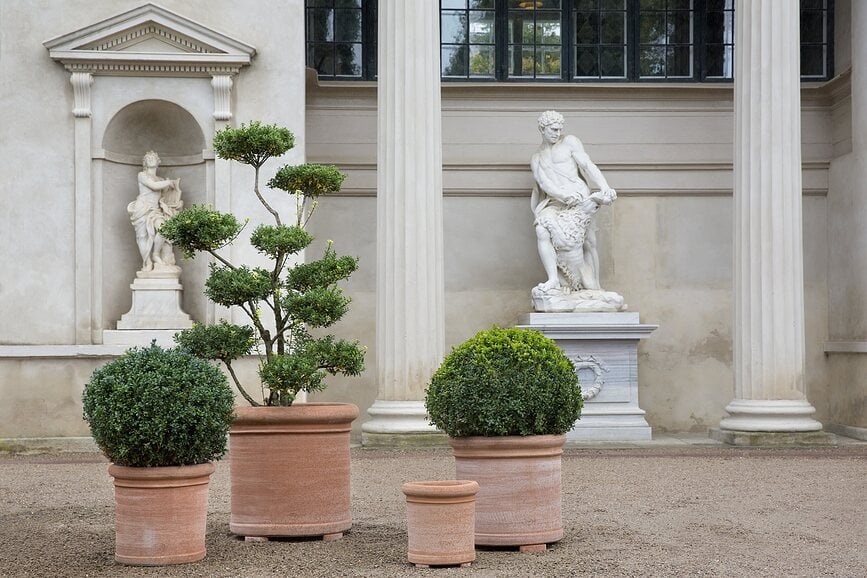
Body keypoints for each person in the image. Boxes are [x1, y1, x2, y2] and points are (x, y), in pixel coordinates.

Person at [530, 110, 617, 295]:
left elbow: (587, 164)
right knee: (541, 229)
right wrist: (562, 195)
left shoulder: (569, 142)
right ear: (542, 129)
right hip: (556, 202)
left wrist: (604, 187)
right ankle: (553, 279)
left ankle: (595, 286)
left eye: (559, 129)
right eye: (553, 129)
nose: (557, 133)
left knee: (590, 242)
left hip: (579, 197)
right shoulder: (537, 158)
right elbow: (544, 183)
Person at [128, 150, 183, 272]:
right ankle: (147, 262)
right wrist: (169, 182)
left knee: (165, 230)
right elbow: (153, 186)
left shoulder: (160, 179)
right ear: (145, 162)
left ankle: (155, 254)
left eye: (154, 157)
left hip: (155, 210)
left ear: (158, 162)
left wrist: (175, 192)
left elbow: (165, 196)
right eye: (148, 158)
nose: (151, 159)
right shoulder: (142, 175)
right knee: (142, 236)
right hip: (142, 208)